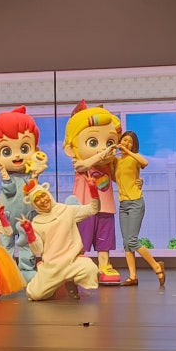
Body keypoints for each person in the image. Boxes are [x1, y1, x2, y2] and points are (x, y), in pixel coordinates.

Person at [0, 106, 46, 282]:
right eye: (6, 151)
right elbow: (9, 191)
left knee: (26, 242)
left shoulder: (29, 175)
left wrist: (35, 176)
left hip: (27, 215)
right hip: (7, 215)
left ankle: (26, 268)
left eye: (24, 148)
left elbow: (33, 192)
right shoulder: (8, 176)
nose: (17, 156)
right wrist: (3, 174)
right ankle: (7, 270)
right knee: (6, 242)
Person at [62, 99, 121, 284]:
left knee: (105, 240)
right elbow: (82, 165)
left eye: (109, 142)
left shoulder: (108, 164)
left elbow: (118, 177)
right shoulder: (79, 162)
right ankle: (79, 267)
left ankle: (104, 266)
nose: (103, 147)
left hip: (106, 206)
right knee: (81, 240)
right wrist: (101, 155)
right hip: (85, 206)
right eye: (94, 141)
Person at [19, 177, 100, 301]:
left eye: (43, 195)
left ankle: (71, 281)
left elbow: (93, 209)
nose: (42, 200)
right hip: (52, 267)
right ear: (34, 204)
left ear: (48, 194)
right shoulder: (36, 223)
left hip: (72, 262)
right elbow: (37, 250)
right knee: (34, 294)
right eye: (37, 200)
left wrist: (93, 190)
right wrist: (30, 232)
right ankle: (53, 287)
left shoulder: (67, 210)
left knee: (91, 270)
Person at [114, 130, 165, 286]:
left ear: (133, 145)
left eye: (130, 142)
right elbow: (117, 178)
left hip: (135, 202)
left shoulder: (133, 158)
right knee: (126, 243)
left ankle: (156, 266)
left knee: (132, 240)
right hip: (123, 204)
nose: (126, 143)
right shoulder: (116, 161)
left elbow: (145, 163)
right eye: (124, 140)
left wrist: (128, 151)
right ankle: (133, 276)